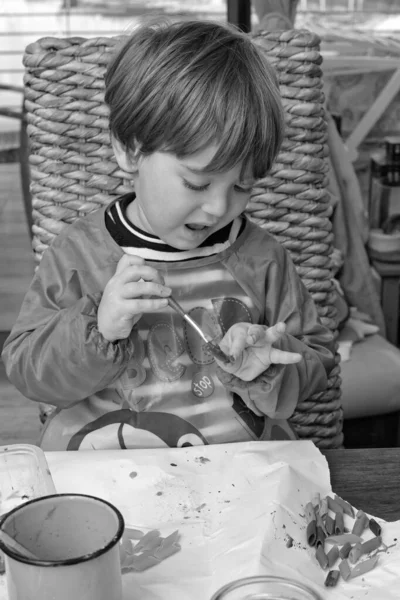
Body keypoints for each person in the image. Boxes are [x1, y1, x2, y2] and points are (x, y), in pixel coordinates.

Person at [2, 20, 335, 451]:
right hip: (111, 484)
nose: (219, 207)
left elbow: (316, 361)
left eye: (242, 186)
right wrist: (98, 329)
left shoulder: (262, 257)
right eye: (197, 184)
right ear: (129, 149)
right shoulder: (79, 254)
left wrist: (270, 364)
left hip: (241, 482)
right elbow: (27, 371)